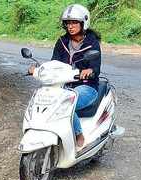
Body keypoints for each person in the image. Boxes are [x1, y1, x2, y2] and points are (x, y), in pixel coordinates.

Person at [29, 4, 101, 148]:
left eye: (74, 22)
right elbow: (54, 62)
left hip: (86, 86)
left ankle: (78, 134)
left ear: (83, 22)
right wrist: (38, 69)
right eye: (68, 23)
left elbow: (95, 67)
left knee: (66, 104)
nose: (70, 26)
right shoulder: (62, 42)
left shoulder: (92, 43)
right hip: (62, 86)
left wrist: (89, 70)